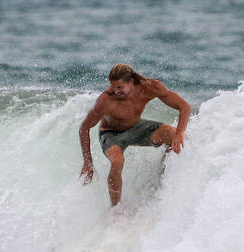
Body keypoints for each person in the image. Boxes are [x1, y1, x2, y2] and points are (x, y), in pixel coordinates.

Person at [78, 63, 191, 206]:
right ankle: (115, 209)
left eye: (119, 87)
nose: (115, 91)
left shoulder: (150, 87)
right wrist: (87, 163)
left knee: (173, 135)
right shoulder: (105, 101)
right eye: (113, 87)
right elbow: (84, 128)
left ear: (131, 81)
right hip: (111, 134)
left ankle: (162, 181)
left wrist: (179, 133)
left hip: (136, 128)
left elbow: (184, 106)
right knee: (117, 160)